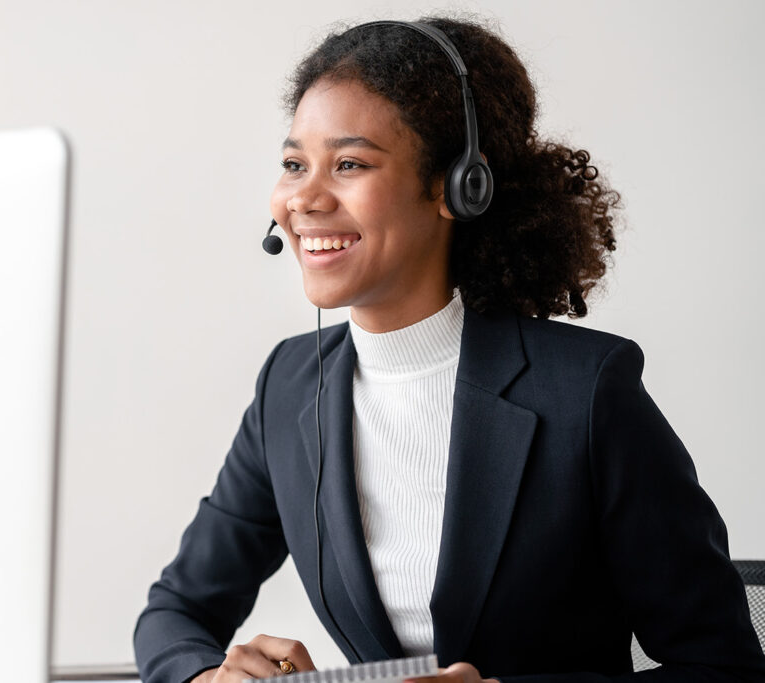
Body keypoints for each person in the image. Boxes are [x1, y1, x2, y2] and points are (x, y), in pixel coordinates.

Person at [134, 16, 765, 683]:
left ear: (454, 186)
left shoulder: (585, 391)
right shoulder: (291, 385)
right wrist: (208, 677)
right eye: (294, 164)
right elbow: (175, 611)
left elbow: (723, 664)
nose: (304, 199)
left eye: (349, 163)